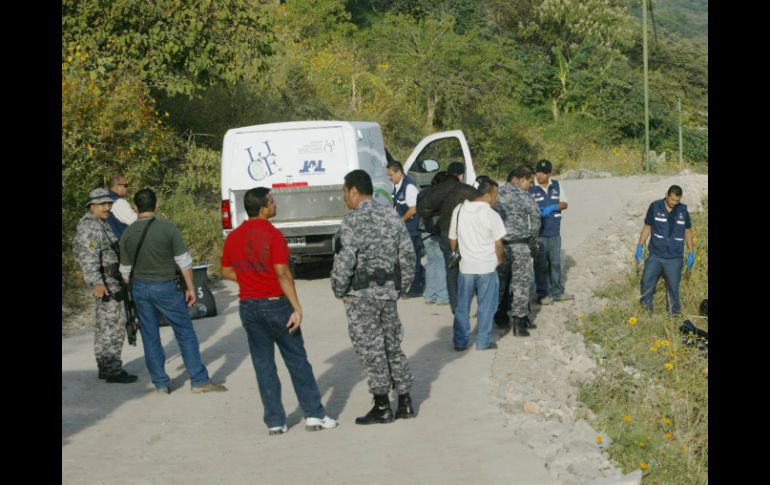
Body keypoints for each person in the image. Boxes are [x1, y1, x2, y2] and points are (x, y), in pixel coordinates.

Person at [221, 187, 338, 435]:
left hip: (248, 307)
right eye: (272, 201)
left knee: (263, 364)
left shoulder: (234, 236)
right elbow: (283, 273)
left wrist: (250, 281)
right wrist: (296, 307)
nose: (275, 205)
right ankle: (314, 415)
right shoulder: (273, 235)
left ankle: (275, 421)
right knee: (296, 360)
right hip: (276, 304)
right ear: (263, 208)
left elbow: (226, 271)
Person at [119, 188, 227, 394]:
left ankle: (160, 383)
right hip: (166, 286)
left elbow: (125, 272)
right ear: (156, 204)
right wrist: (191, 288)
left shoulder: (127, 234)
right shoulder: (168, 229)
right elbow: (184, 262)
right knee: (184, 332)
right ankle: (199, 380)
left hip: (140, 288)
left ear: (135, 207)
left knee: (150, 336)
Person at [331, 169, 416, 425]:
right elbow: (408, 256)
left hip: (361, 294)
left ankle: (381, 405)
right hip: (388, 292)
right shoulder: (392, 216)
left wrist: (339, 289)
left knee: (372, 348)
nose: (345, 198)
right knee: (392, 345)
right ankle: (405, 401)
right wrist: (402, 288)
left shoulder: (352, 222)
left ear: (354, 191)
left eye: (345, 192)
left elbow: (345, 260)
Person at [72, 188, 138, 384]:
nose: (107, 207)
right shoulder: (90, 227)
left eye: (109, 203)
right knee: (112, 328)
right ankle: (112, 370)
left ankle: (106, 367)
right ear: (92, 206)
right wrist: (97, 283)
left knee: (105, 327)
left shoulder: (100, 223)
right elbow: (88, 258)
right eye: (102, 204)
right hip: (107, 285)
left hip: (112, 282)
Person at [449, 177, 507, 351]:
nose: (497, 199)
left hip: (466, 268)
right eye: (496, 195)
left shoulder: (459, 210)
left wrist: (461, 252)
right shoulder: (491, 214)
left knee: (462, 307)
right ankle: (483, 342)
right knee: (486, 307)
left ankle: (460, 341)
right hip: (487, 268)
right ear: (488, 195)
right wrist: (500, 260)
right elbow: (498, 243)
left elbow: (453, 239)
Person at [417, 161, 477, 313]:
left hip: (445, 233)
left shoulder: (438, 189)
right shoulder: (468, 190)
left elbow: (424, 208)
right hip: (467, 235)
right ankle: (467, 301)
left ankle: (456, 307)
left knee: (451, 269)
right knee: (468, 269)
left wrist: (434, 224)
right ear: (461, 175)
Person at [494, 166, 541, 336]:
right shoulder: (525, 196)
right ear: (518, 179)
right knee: (521, 285)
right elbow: (536, 223)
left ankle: (499, 317)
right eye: (529, 181)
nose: (530, 185)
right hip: (521, 246)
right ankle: (519, 325)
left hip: (499, 246)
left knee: (499, 284)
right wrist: (534, 247)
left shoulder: (495, 194)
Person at [635, 185, 694, 315]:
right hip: (655, 255)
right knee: (647, 283)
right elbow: (647, 227)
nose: (674, 203)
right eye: (672, 199)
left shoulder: (683, 210)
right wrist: (640, 245)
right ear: (666, 195)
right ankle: (646, 312)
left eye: (677, 201)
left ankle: (674, 315)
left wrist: (691, 252)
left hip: (674, 257)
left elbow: (687, 231)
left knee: (673, 288)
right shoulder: (655, 206)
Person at [529, 159, 574, 304]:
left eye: (544, 172)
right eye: (538, 172)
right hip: (539, 234)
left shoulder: (556, 185)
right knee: (540, 264)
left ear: (550, 173)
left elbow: (564, 203)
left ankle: (557, 292)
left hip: (554, 231)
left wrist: (553, 207)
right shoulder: (531, 188)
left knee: (555, 263)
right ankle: (542, 294)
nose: (540, 175)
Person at [387, 161, 424, 297]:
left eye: (391, 175)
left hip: (411, 230)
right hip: (403, 230)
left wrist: (399, 221)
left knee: (413, 260)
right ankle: (406, 286)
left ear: (399, 172)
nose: (389, 178)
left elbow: (413, 210)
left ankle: (415, 289)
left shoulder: (409, 187)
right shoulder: (397, 185)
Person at [417, 171, 450, 305]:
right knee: (441, 262)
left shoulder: (422, 193)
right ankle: (442, 296)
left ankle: (429, 295)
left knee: (431, 262)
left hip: (424, 231)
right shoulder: (442, 195)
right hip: (436, 232)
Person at [105, 174, 137, 240]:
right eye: (125, 185)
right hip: (121, 243)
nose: (127, 188)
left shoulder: (106, 199)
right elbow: (136, 222)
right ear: (117, 186)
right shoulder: (119, 202)